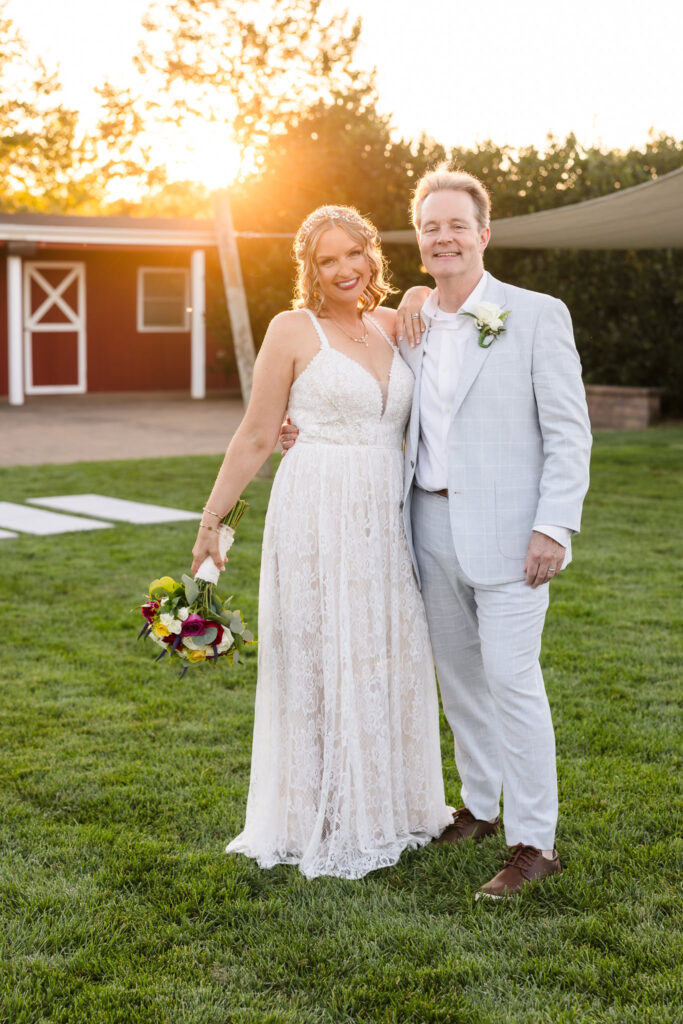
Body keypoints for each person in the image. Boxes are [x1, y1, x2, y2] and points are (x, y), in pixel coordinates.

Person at [282, 167, 592, 898]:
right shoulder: (411, 322)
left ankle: (534, 841)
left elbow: (567, 433)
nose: (444, 236)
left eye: (457, 224)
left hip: (516, 536)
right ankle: (479, 809)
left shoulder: (536, 314)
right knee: (458, 681)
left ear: (482, 234)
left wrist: (554, 525)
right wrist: (312, 430)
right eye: (430, 227)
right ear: (418, 246)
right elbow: (367, 396)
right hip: (424, 523)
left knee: (514, 683)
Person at [192, 204, 452, 880]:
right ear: (309, 269)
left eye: (352, 254)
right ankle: (316, 812)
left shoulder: (396, 324)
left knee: (380, 652)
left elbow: (450, 308)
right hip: (314, 508)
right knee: (316, 651)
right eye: (326, 260)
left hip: (383, 513)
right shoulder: (291, 329)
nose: (342, 269)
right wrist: (213, 522)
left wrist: (423, 289)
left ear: (371, 255)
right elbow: (255, 433)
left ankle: (383, 803)